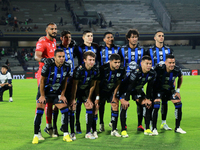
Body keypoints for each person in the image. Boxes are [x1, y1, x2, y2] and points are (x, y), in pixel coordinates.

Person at [32, 49, 71, 144]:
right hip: (44, 92)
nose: (62, 59)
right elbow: (42, 81)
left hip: (56, 93)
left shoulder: (67, 66)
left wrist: (62, 95)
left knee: (65, 110)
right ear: (55, 57)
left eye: (63, 57)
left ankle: (66, 134)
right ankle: (36, 136)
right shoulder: (48, 66)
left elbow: (65, 81)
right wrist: (41, 96)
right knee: (40, 111)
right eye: (59, 57)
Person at [119, 55, 156, 137]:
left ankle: (146, 128)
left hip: (137, 89)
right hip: (125, 89)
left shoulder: (152, 73)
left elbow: (149, 87)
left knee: (147, 104)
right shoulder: (136, 72)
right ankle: (123, 130)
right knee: (125, 106)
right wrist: (126, 99)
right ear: (141, 64)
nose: (149, 65)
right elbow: (130, 86)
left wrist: (147, 98)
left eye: (150, 63)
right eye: (147, 63)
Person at [151, 54, 186, 135]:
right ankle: (154, 128)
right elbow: (150, 73)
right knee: (156, 105)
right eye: (170, 63)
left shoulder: (177, 70)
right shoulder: (159, 67)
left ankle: (177, 128)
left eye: (173, 62)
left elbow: (180, 77)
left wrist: (178, 90)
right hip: (158, 90)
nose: (172, 65)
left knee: (178, 104)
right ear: (165, 63)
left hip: (170, 90)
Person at [119, 29, 146, 132]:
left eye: (136, 37)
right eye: (132, 37)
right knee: (124, 103)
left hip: (138, 82)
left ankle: (140, 125)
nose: (134, 39)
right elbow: (118, 63)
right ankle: (123, 126)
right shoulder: (121, 50)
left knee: (140, 102)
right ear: (128, 38)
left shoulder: (143, 50)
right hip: (125, 82)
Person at [146, 30, 174, 131]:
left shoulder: (169, 49)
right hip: (154, 80)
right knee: (153, 102)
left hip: (165, 80)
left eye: (162, 36)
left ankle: (163, 123)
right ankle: (149, 123)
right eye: (159, 36)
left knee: (165, 102)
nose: (161, 37)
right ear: (155, 38)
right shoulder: (149, 50)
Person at [73, 30, 99, 134]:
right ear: (83, 37)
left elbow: (99, 60)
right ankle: (77, 124)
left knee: (92, 103)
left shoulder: (96, 47)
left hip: (92, 75)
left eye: (92, 36)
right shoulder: (78, 48)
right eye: (88, 36)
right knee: (78, 105)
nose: (90, 38)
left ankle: (93, 126)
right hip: (81, 76)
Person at [35, 22, 57, 139]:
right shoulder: (42, 41)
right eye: (52, 29)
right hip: (43, 74)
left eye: (55, 29)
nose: (54, 31)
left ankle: (48, 127)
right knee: (41, 101)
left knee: (50, 102)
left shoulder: (54, 41)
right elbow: (36, 56)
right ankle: (37, 130)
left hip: (53, 74)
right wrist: (44, 60)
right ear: (46, 30)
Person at [53, 30, 76, 139]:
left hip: (71, 79)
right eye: (66, 37)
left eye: (70, 37)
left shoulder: (72, 48)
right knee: (57, 105)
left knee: (70, 103)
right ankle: (54, 128)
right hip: (61, 79)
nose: (68, 39)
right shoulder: (58, 49)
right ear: (61, 38)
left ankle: (66, 127)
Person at [71, 51, 99, 139]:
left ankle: (88, 132)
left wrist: (89, 98)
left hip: (85, 91)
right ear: (84, 60)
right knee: (73, 108)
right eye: (90, 60)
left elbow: (93, 85)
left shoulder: (95, 70)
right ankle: (72, 131)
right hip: (75, 91)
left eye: (93, 60)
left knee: (89, 106)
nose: (92, 62)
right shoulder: (79, 70)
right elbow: (74, 85)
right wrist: (73, 99)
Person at [96, 54, 125, 137]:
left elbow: (118, 82)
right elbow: (97, 84)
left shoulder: (121, 69)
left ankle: (114, 129)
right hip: (101, 90)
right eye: (115, 62)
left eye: (119, 62)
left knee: (115, 105)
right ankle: (101, 123)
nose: (117, 64)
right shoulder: (102, 69)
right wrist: (97, 96)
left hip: (111, 90)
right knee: (100, 106)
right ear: (110, 62)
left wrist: (115, 95)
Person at [98, 32, 121, 132]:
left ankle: (112, 121)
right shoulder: (100, 49)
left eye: (112, 37)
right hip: (103, 78)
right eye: (108, 37)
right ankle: (101, 122)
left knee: (114, 101)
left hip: (114, 77)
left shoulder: (118, 49)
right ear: (104, 39)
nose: (110, 39)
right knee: (101, 104)